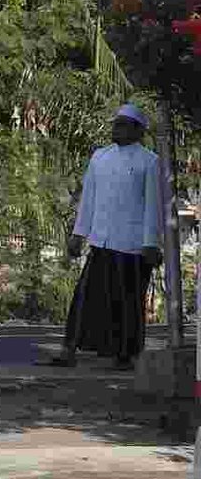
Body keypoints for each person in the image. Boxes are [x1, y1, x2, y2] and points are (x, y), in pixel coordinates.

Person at [45, 103, 162, 370]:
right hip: (101, 240)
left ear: (137, 130)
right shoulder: (100, 157)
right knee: (84, 298)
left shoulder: (150, 161)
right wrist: (78, 235)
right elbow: (89, 199)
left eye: (121, 125)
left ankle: (125, 355)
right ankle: (68, 350)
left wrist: (151, 243)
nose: (115, 129)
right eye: (115, 124)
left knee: (128, 303)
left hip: (133, 245)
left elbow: (153, 207)